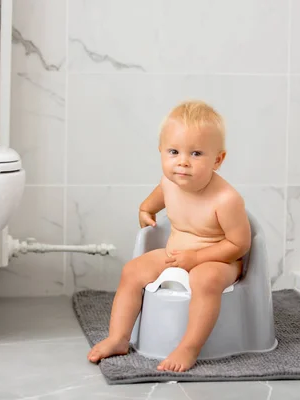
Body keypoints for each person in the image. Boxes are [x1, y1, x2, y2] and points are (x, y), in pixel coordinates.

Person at [87, 100, 251, 372]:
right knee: (132, 270)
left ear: (218, 160)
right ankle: (118, 337)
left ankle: (189, 346)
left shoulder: (226, 199)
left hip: (219, 261)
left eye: (196, 153)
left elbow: (239, 244)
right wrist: (145, 212)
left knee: (204, 278)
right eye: (174, 151)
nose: (183, 162)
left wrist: (197, 257)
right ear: (161, 152)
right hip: (177, 256)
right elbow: (149, 204)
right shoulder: (169, 184)